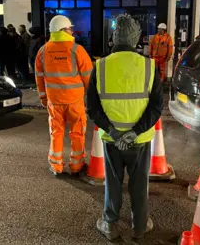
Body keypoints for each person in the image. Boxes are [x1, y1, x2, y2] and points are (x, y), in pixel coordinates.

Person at [86, 14, 163, 241]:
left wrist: (112, 131)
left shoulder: (100, 66)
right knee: (139, 185)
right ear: (136, 38)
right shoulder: (149, 66)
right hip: (139, 141)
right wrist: (135, 131)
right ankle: (139, 227)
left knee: (113, 183)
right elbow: (157, 106)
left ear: (113, 37)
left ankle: (110, 224)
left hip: (112, 141)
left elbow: (92, 108)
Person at [35, 15, 93, 175]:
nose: (72, 31)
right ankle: (77, 165)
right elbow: (89, 78)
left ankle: (56, 165)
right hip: (74, 101)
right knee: (77, 133)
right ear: (62, 30)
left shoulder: (43, 51)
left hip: (54, 101)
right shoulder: (77, 50)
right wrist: (92, 99)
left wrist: (43, 98)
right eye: (69, 29)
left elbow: (39, 78)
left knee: (56, 132)